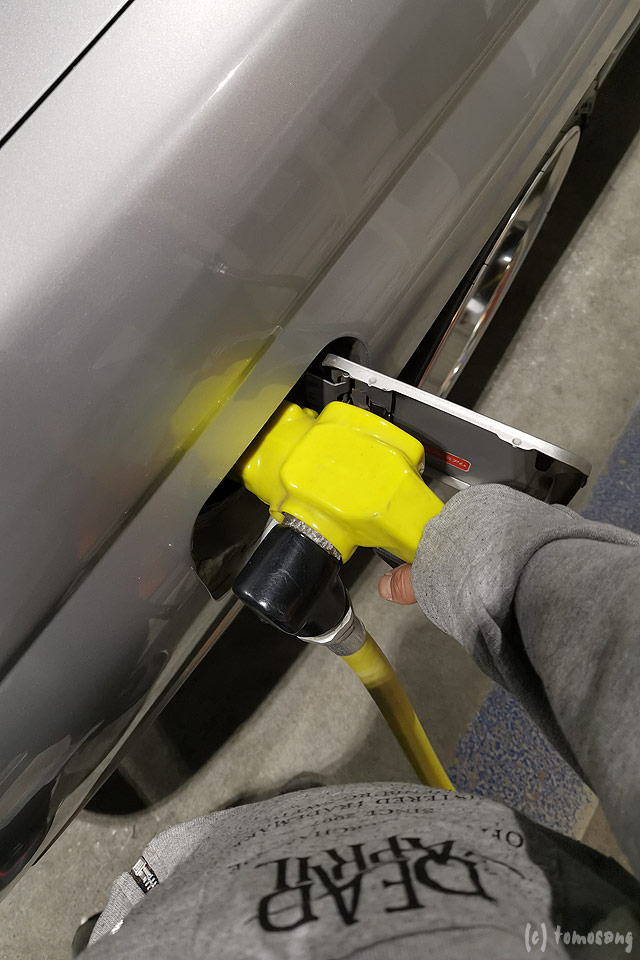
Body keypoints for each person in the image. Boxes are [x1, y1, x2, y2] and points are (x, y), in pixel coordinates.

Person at [82, 485, 640, 958]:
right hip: (539, 897)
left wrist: (494, 562)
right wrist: (489, 562)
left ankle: (272, 837)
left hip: (172, 922)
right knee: (303, 829)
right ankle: (302, 823)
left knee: (218, 868)